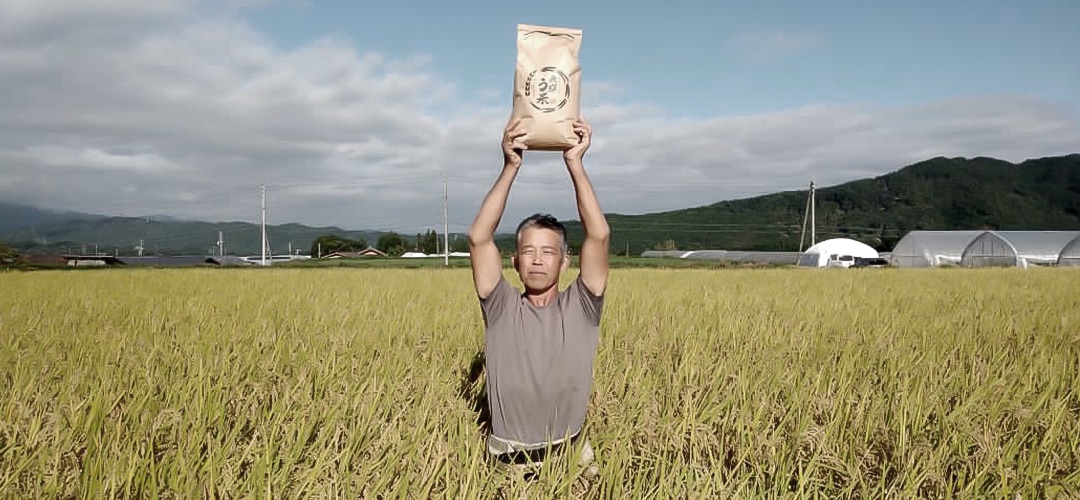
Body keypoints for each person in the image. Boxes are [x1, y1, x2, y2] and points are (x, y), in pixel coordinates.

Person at [467, 116, 610, 476]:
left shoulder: (582, 305)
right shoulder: (501, 306)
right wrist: (510, 166)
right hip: (509, 462)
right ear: (514, 262)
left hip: (572, 456)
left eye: (548, 252)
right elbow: (479, 238)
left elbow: (599, 235)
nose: (536, 259)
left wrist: (575, 163)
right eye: (528, 251)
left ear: (565, 262)